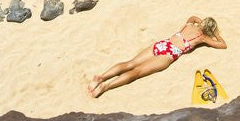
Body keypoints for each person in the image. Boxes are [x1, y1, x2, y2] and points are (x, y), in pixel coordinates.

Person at [88, 16, 226, 98]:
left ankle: (100, 78)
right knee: (137, 72)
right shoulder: (202, 38)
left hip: (162, 44)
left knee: (130, 63)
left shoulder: (189, 24)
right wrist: (216, 33)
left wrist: (201, 21)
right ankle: (105, 87)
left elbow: (194, 16)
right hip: (169, 54)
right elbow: (222, 45)